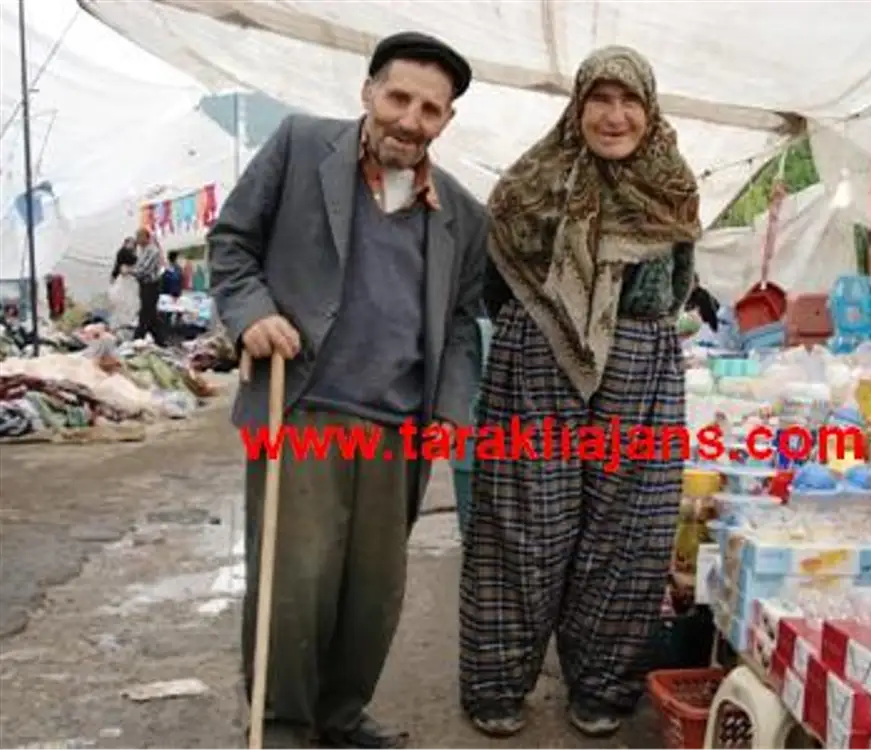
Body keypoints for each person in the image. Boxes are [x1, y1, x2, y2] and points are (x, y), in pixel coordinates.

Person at [208, 31, 486, 750]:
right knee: (295, 583)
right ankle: (281, 723)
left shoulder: (461, 214)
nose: (409, 120)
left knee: (373, 593)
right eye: (399, 97)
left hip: (399, 426)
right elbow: (232, 243)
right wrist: (252, 313)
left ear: (447, 121)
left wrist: (451, 408)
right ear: (368, 91)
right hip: (302, 406)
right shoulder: (300, 148)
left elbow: (461, 323)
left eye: (430, 109)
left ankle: (339, 715)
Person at [459, 46, 703, 739]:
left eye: (630, 101)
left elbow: (677, 285)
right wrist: (558, 322)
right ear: (578, 106)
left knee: (629, 529)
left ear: (649, 111)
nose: (614, 116)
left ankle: (601, 685)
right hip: (539, 356)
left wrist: (624, 333)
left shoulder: (671, 184)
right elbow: (494, 285)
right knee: (524, 523)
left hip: (640, 366)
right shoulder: (530, 182)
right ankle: (497, 684)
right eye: (600, 99)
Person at [132, 228, 165, 345]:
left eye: (139, 237)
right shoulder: (142, 251)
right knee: (151, 314)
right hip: (144, 284)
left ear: (146, 237)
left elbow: (145, 269)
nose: (137, 240)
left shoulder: (152, 251)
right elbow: (138, 266)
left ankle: (137, 338)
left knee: (145, 313)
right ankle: (160, 340)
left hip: (151, 285)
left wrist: (131, 271)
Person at [108, 237, 140, 332]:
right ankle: (122, 324)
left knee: (129, 303)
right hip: (126, 281)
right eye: (130, 243)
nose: (131, 245)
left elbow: (117, 266)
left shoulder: (129, 254)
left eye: (133, 244)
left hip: (129, 280)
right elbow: (119, 267)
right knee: (125, 302)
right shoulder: (123, 253)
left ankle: (125, 323)